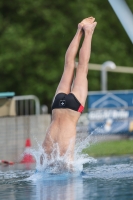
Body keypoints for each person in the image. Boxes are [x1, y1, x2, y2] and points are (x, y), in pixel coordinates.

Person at [42, 17, 97, 162]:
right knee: (68, 65)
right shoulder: (47, 154)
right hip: (57, 106)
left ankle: (88, 32)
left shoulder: (53, 154)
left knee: (82, 67)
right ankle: (80, 30)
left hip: (71, 109)